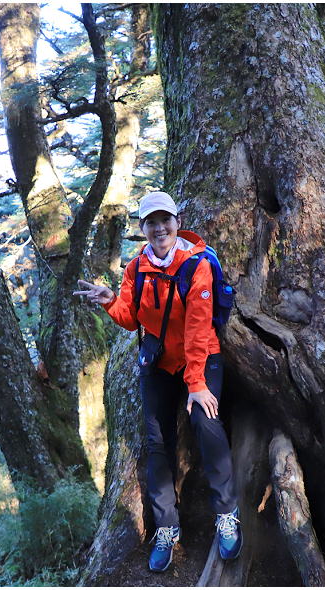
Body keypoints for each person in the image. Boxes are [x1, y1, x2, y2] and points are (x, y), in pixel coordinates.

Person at [74, 191, 242, 572]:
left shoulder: (196, 264)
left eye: (165, 219)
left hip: (201, 358)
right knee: (156, 442)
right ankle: (167, 528)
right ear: (143, 229)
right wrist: (108, 300)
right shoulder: (136, 269)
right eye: (152, 222)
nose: (160, 227)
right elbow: (131, 318)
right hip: (159, 363)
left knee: (205, 421)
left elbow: (199, 327)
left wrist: (196, 383)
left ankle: (227, 515)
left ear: (177, 221)